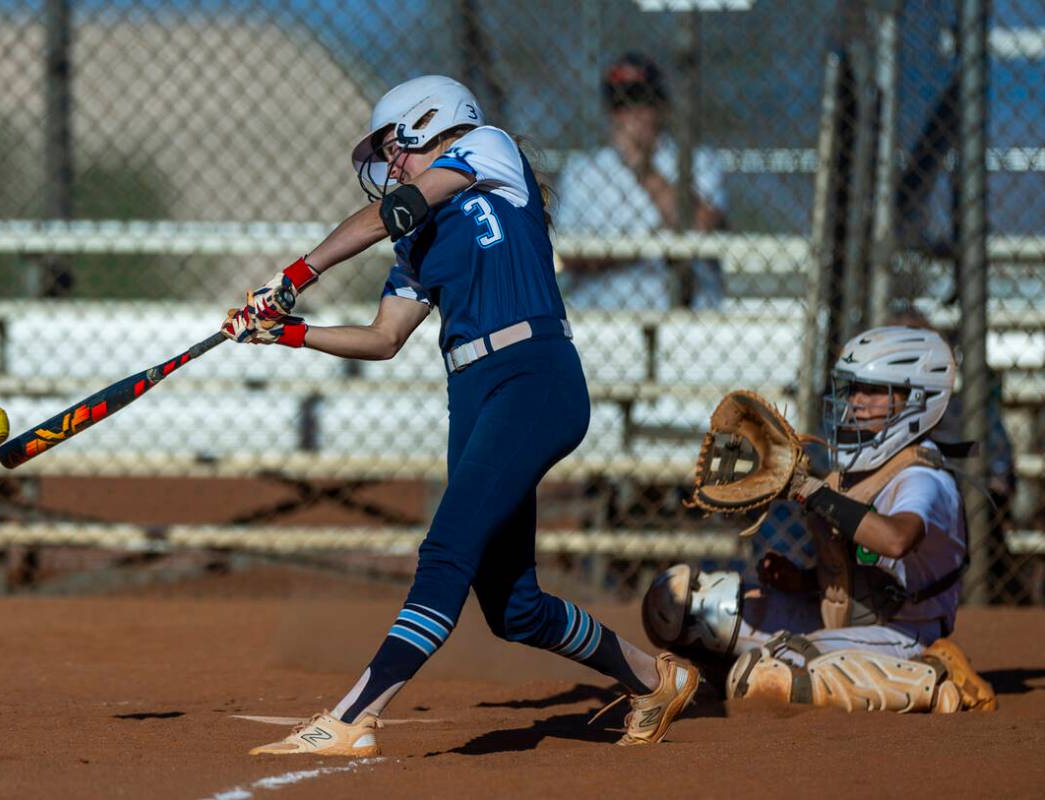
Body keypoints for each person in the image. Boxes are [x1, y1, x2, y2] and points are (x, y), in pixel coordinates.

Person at [220, 75, 700, 757]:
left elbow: (405, 201)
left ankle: (353, 716)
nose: (391, 166)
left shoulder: (487, 149)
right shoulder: (417, 240)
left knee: (444, 552)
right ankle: (654, 679)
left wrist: (295, 275)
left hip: (531, 376)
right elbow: (383, 338)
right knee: (511, 606)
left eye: (395, 147)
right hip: (471, 393)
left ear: (430, 122)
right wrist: (286, 332)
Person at [641, 325, 997, 713]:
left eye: (875, 391)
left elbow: (896, 540)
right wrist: (806, 580)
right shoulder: (864, 463)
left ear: (918, 400)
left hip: (901, 632)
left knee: (765, 678)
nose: (857, 401)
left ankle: (934, 678)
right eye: (853, 388)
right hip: (840, 616)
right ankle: (722, 676)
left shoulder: (923, 478)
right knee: (674, 606)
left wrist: (809, 491)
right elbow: (867, 570)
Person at [555, 52, 727, 311]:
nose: (631, 115)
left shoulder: (696, 160)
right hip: (602, 317)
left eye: (640, 100)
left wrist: (644, 171)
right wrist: (649, 245)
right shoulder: (583, 170)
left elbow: (700, 225)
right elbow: (567, 254)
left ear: (661, 106)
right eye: (620, 105)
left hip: (688, 318)